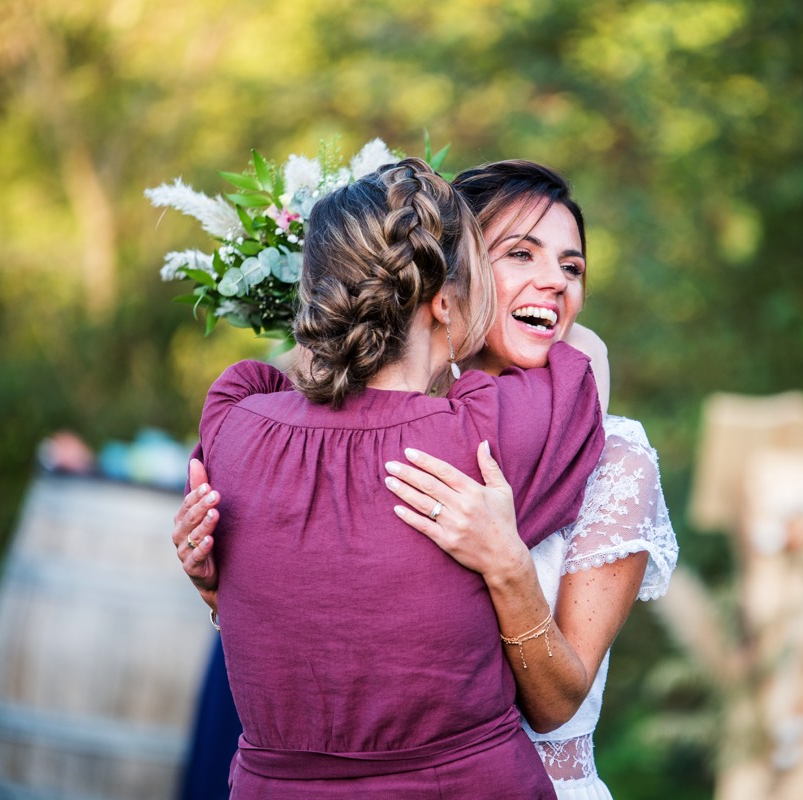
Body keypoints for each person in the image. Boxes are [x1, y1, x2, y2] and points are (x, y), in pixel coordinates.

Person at [175, 160, 678, 799]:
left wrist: (509, 569)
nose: (554, 281)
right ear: (447, 286)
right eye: (520, 254)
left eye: (573, 268)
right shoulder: (485, 427)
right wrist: (216, 585)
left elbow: (557, 706)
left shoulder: (616, 456)